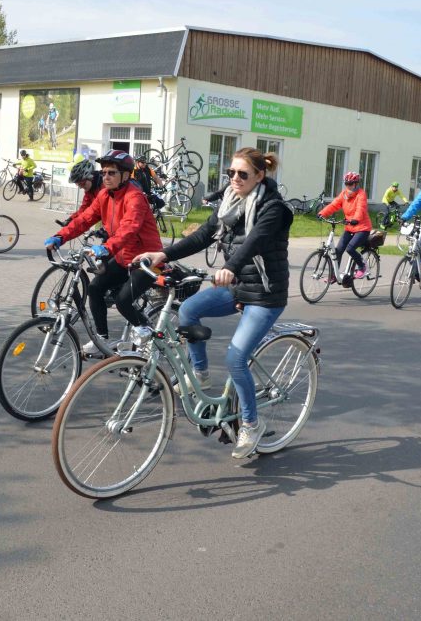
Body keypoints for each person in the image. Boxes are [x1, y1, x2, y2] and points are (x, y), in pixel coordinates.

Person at [134, 147, 291, 459]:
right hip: (237, 287)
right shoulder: (229, 205)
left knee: (236, 357)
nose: (234, 178)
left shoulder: (275, 209)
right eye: (231, 172)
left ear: (260, 176)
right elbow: (204, 235)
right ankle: (200, 374)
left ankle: (250, 423)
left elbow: (255, 240)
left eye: (242, 174)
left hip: (264, 294)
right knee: (189, 310)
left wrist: (230, 267)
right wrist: (165, 254)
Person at [45, 150, 162, 352]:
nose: (105, 176)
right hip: (122, 256)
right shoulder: (104, 195)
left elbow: (129, 229)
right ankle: (102, 338)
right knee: (95, 288)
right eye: (104, 172)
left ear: (125, 175)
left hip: (146, 260)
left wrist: (106, 248)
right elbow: (84, 219)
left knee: (123, 301)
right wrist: (60, 236)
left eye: (111, 173)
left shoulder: (135, 198)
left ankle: (150, 336)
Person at [318, 171, 372, 282]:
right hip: (349, 227)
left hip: (362, 228)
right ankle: (333, 275)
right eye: (346, 184)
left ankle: (363, 266)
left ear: (356, 184)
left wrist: (355, 219)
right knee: (338, 250)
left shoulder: (361, 194)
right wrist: (322, 213)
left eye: (350, 184)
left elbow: (360, 209)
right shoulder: (344, 194)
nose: (348, 186)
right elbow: (334, 205)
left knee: (350, 248)